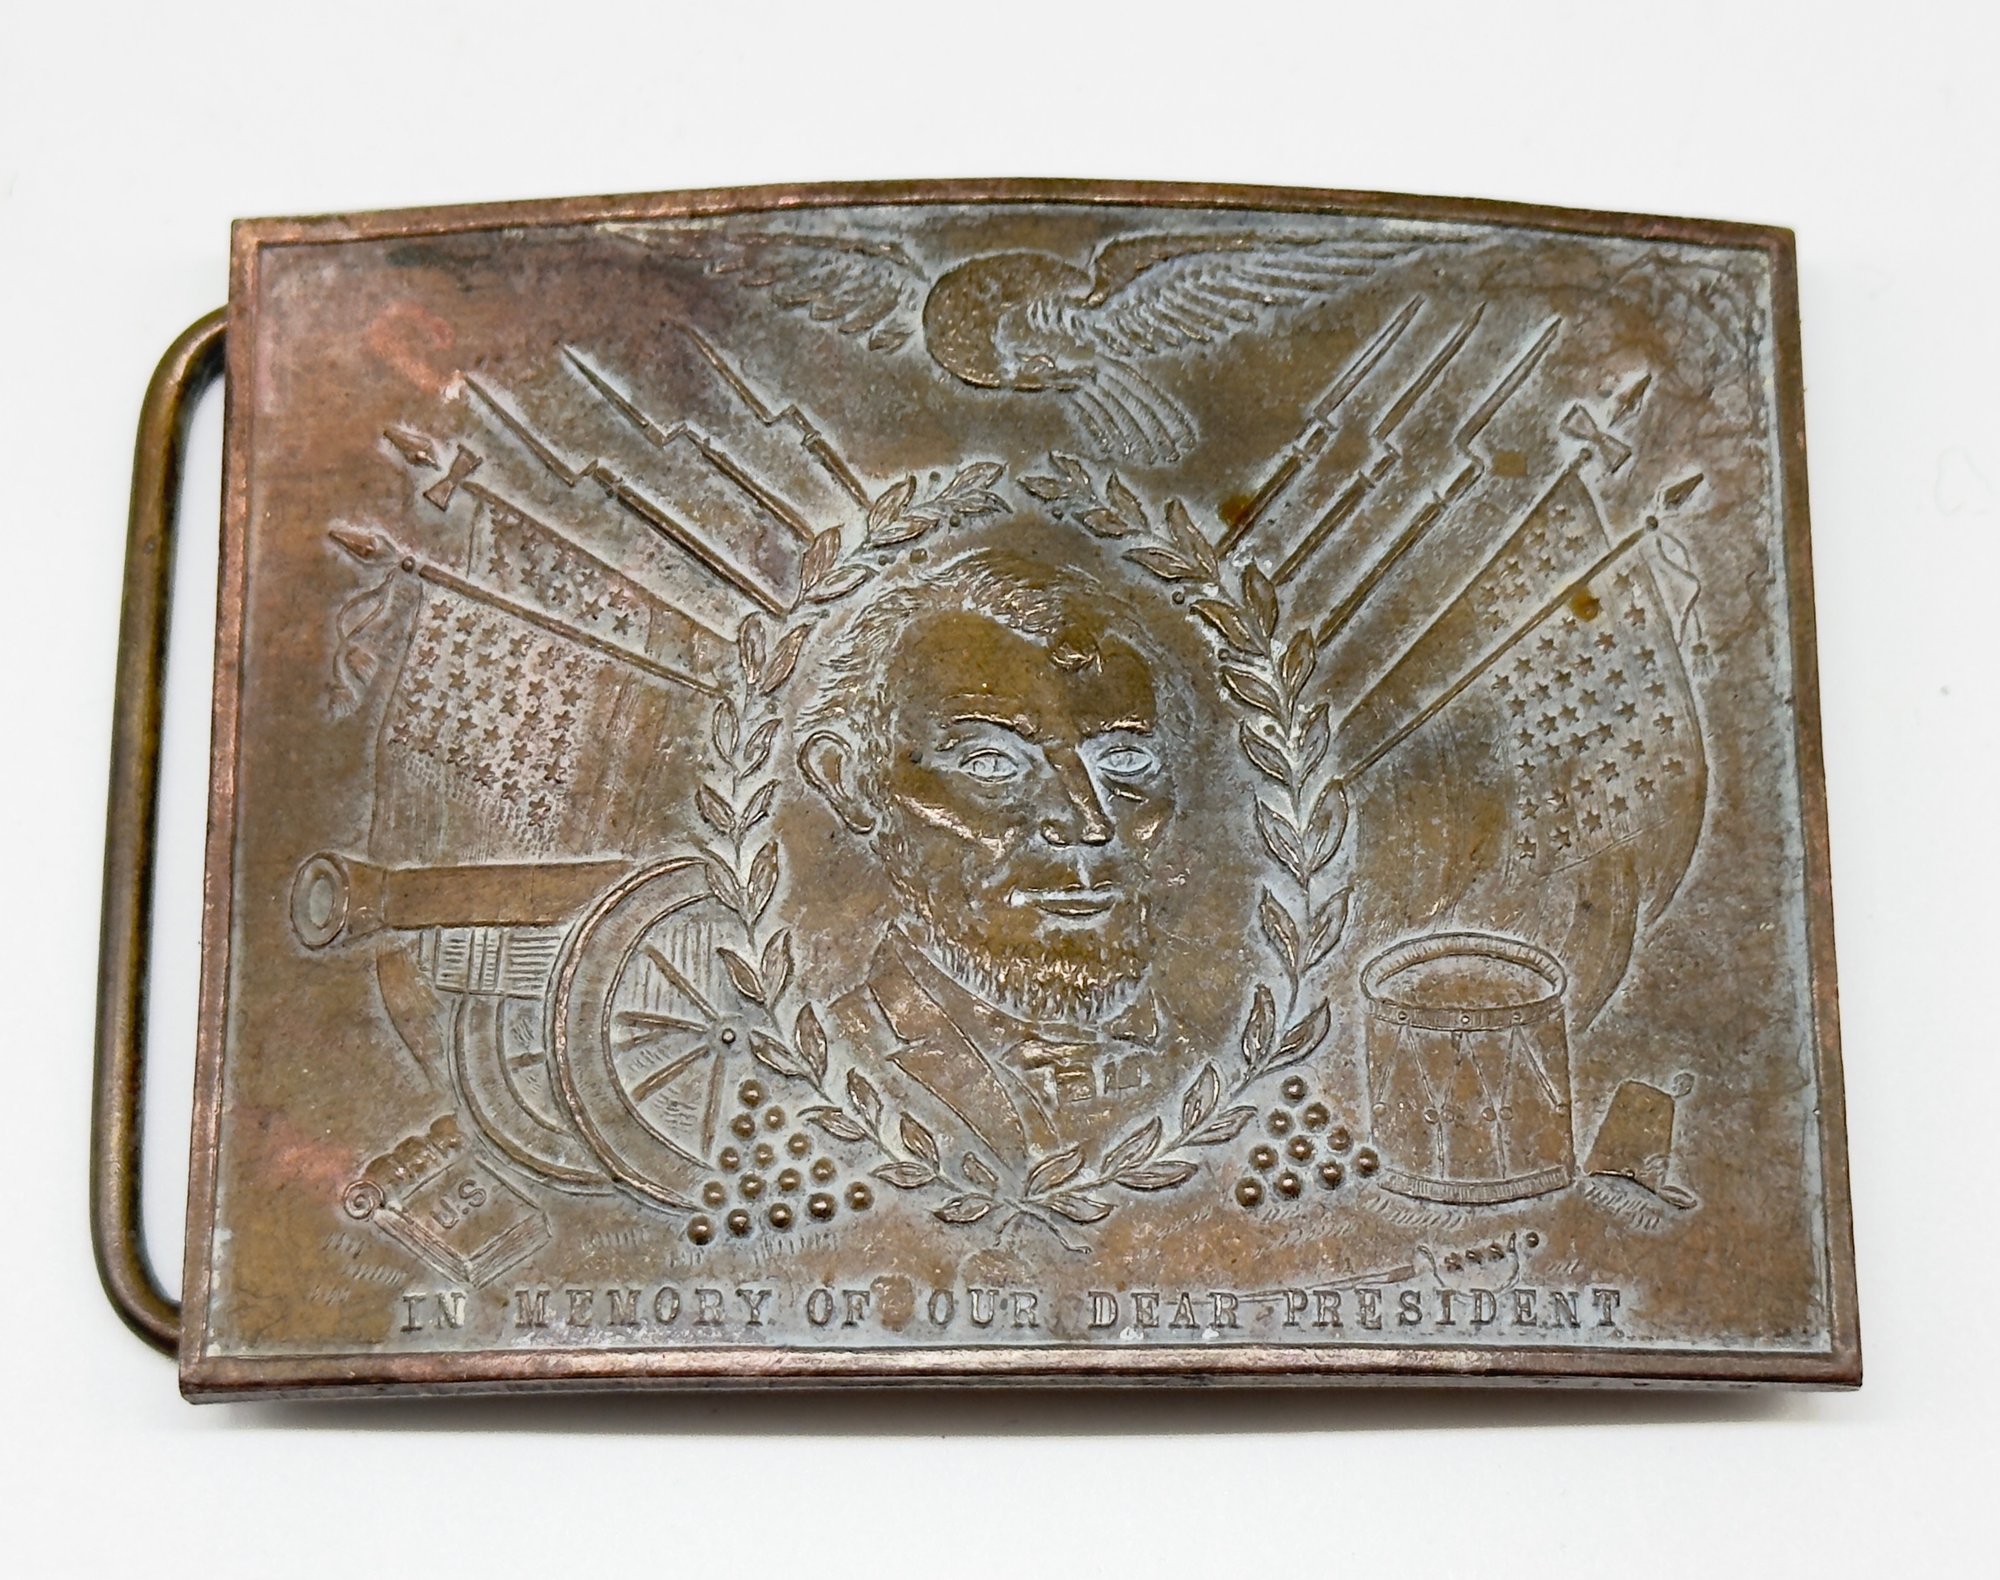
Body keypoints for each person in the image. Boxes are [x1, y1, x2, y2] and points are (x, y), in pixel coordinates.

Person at [798, 546, 1184, 1170]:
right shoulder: (838, 1053)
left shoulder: (1228, 1052)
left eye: (1124, 760)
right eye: (990, 764)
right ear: (850, 782)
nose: (1087, 823)